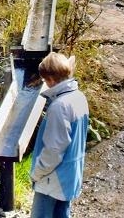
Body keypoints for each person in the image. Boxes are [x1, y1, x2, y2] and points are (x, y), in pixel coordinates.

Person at [30, 52, 89, 218]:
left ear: (50, 79)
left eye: (44, 80)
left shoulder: (59, 106)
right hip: (70, 174)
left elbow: (54, 151)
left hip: (52, 179)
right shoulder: (79, 97)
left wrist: (36, 173)